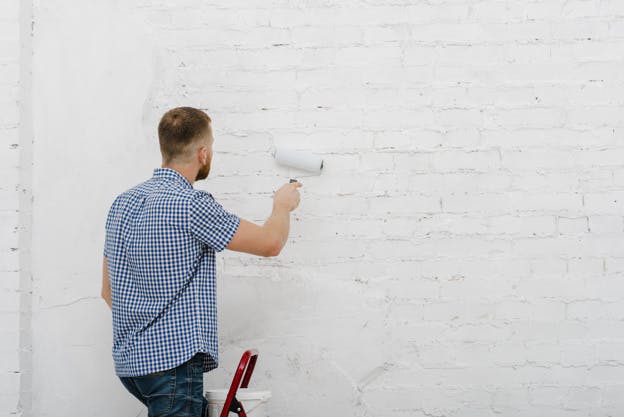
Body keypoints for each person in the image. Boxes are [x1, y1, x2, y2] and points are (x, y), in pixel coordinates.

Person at [100, 106, 302, 417]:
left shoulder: (123, 204)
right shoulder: (192, 205)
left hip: (132, 366)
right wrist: (282, 206)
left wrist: (146, 328)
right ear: (203, 153)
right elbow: (270, 243)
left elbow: (108, 292)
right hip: (172, 367)